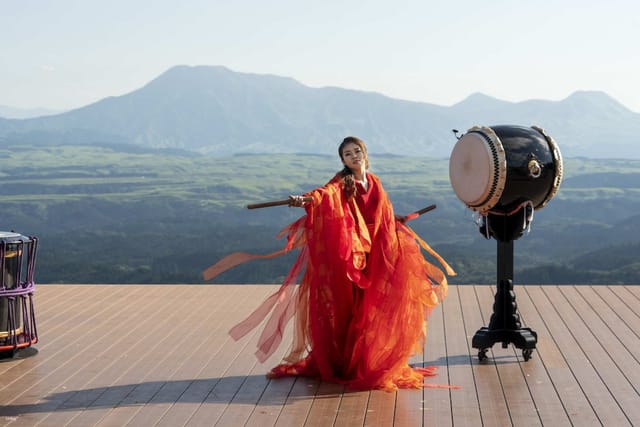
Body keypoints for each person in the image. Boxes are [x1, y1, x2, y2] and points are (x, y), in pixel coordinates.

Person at [204, 136, 456, 391]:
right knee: (354, 308)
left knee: (373, 308)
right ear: (343, 161)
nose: (354, 156)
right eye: (348, 154)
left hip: (378, 253)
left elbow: (381, 212)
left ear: (365, 154)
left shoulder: (375, 181)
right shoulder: (342, 182)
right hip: (357, 254)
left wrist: (394, 219)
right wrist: (304, 199)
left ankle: (368, 360)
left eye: (357, 151)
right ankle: (349, 363)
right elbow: (325, 194)